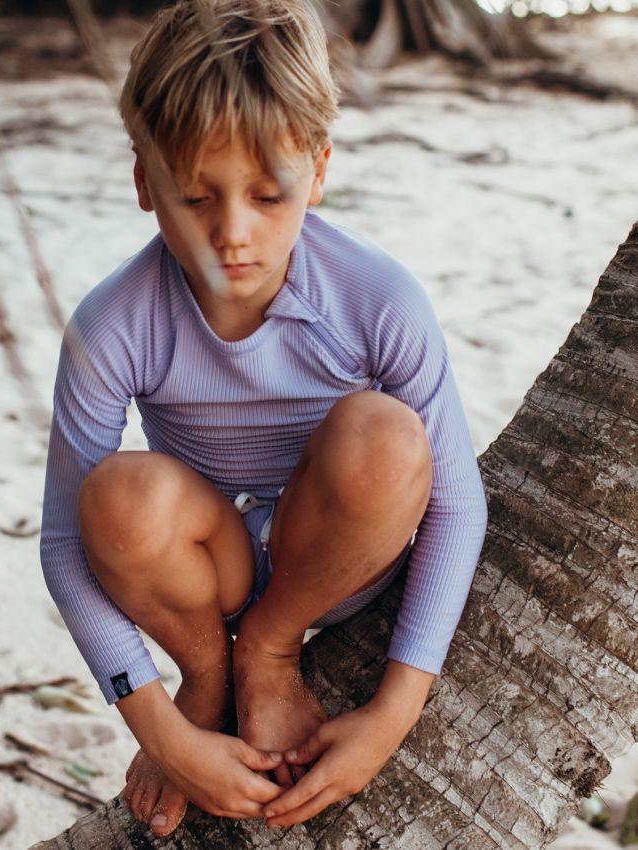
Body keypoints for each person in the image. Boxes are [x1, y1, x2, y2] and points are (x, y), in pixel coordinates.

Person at [40, 0, 487, 837]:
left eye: (268, 196)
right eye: (195, 196)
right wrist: (164, 732)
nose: (231, 235)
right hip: (207, 574)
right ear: (145, 182)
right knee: (115, 496)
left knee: (387, 438)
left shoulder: (377, 298)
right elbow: (66, 545)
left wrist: (393, 713)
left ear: (317, 173)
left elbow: (457, 506)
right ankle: (210, 678)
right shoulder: (111, 326)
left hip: (334, 557)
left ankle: (270, 649)